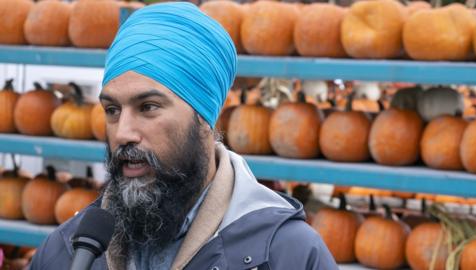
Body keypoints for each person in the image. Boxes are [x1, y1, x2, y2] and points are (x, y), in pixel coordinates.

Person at [29, 2, 337, 270]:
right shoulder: (65, 252)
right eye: (112, 110)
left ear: (204, 118)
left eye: (148, 107)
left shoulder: (286, 255)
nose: (123, 133)